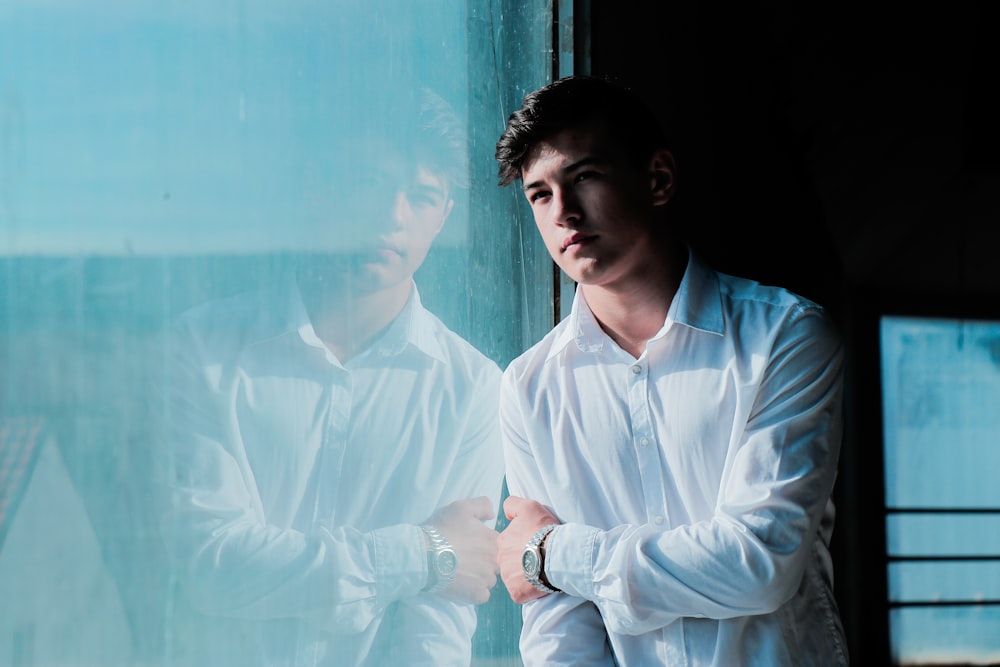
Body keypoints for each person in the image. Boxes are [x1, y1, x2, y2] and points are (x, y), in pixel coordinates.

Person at [494, 75, 848, 666]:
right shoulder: (530, 385)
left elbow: (758, 564)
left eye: (584, 177)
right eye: (540, 194)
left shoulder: (784, 335)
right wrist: (550, 565)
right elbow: (557, 620)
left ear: (657, 178)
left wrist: (556, 554)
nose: (564, 212)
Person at [156, 86, 504, 666]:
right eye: (369, 183)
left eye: (420, 197)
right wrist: (418, 554)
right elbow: (210, 564)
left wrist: (431, 564)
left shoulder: (472, 387)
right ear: (319, 190)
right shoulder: (205, 348)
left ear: (443, 216)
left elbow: (441, 614)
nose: (393, 216)